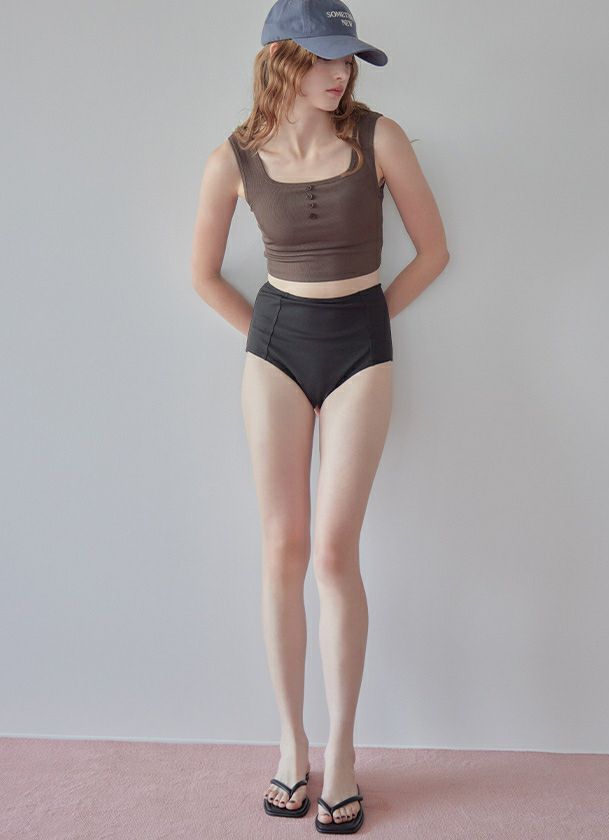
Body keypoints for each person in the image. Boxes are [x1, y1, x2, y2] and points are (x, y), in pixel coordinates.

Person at [191, 0, 449, 832]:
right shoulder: (233, 157)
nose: (341, 73)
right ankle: (290, 745)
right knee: (284, 548)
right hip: (274, 350)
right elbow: (203, 275)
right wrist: (271, 333)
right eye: (326, 58)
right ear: (282, 60)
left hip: (359, 351)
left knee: (335, 552)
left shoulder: (380, 138)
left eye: (348, 59)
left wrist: (367, 322)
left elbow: (434, 251)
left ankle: (340, 752)